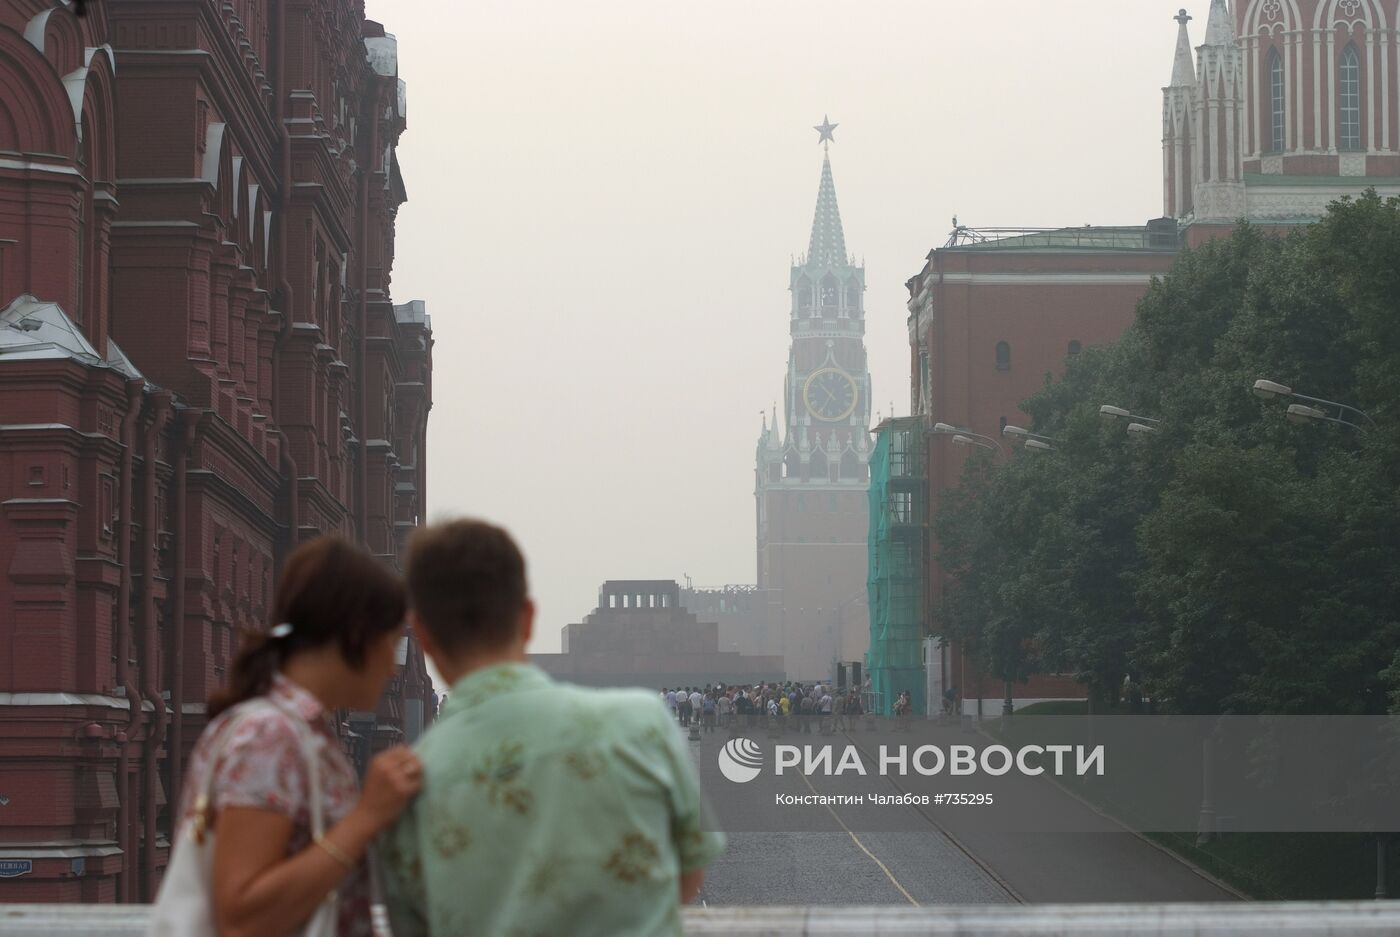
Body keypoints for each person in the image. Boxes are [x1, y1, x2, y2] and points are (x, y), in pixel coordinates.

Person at [380, 519, 725, 937]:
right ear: (527, 618)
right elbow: (689, 871)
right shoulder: (643, 725)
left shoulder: (402, 789)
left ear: (422, 635)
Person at [174, 536, 422, 937]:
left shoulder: (294, 732)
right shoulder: (268, 737)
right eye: (393, 644)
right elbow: (242, 918)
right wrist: (366, 818)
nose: (394, 669)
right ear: (355, 635)